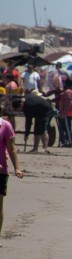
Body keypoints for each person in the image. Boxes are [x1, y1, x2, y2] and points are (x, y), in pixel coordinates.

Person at [0, 103, 24, 245]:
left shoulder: (6, 126)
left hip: (2, 170)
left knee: (0, 203)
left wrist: (17, 168)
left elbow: (11, 148)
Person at [21, 89, 54, 153]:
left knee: (43, 130)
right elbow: (28, 121)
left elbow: (29, 122)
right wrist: (26, 134)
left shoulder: (27, 105)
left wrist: (26, 134)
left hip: (46, 111)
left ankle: (45, 148)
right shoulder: (25, 100)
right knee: (36, 130)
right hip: (38, 112)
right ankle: (35, 148)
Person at [59, 78, 72, 147]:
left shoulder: (67, 92)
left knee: (67, 128)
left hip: (68, 113)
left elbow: (68, 103)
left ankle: (71, 142)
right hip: (70, 112)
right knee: (66, 127)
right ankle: (70, 141)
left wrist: (64, 113)